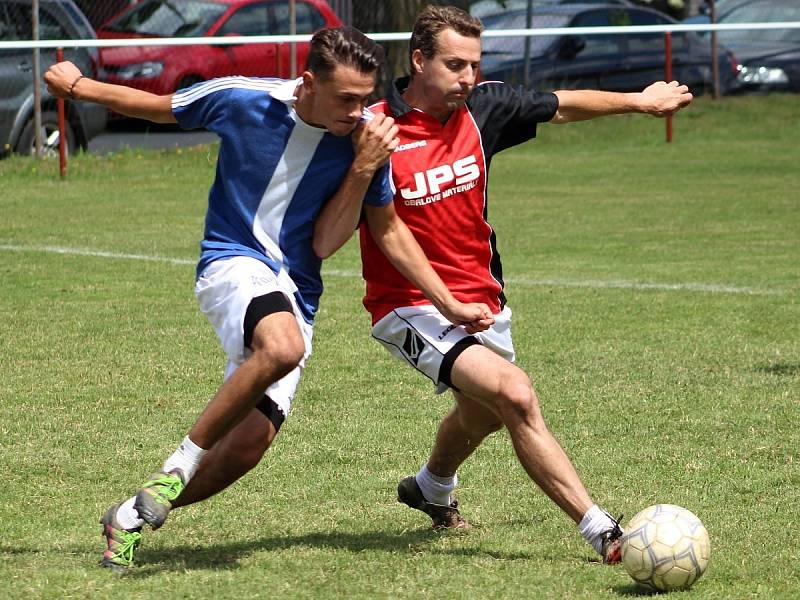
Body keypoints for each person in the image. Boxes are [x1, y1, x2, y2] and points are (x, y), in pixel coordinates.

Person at [45, 26, 492, 572]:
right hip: (232, 261)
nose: (359, 111)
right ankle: (176, 466)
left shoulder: (369, 140)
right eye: (346, 98)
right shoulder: (243, 100)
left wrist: (362, 168)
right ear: (308, 82)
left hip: (297, 290)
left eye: (365, 97)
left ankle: (129, 517)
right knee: (280, 348)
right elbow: (161, 107)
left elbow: (329, 243)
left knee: (247, 447)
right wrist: (79, 86)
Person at [314, 6, 693, 564]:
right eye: (454, 64)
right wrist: (445, 300)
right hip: (409, 307)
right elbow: (379, 228)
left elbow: (560, 105)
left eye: (474, 64)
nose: (467, 77)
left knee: (483, 413)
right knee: (514, 395)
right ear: (419, 60)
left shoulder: (482, 109)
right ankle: (606, 535)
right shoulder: (374, 128)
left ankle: (430, 485)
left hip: (483, 300)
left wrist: (639, 102)